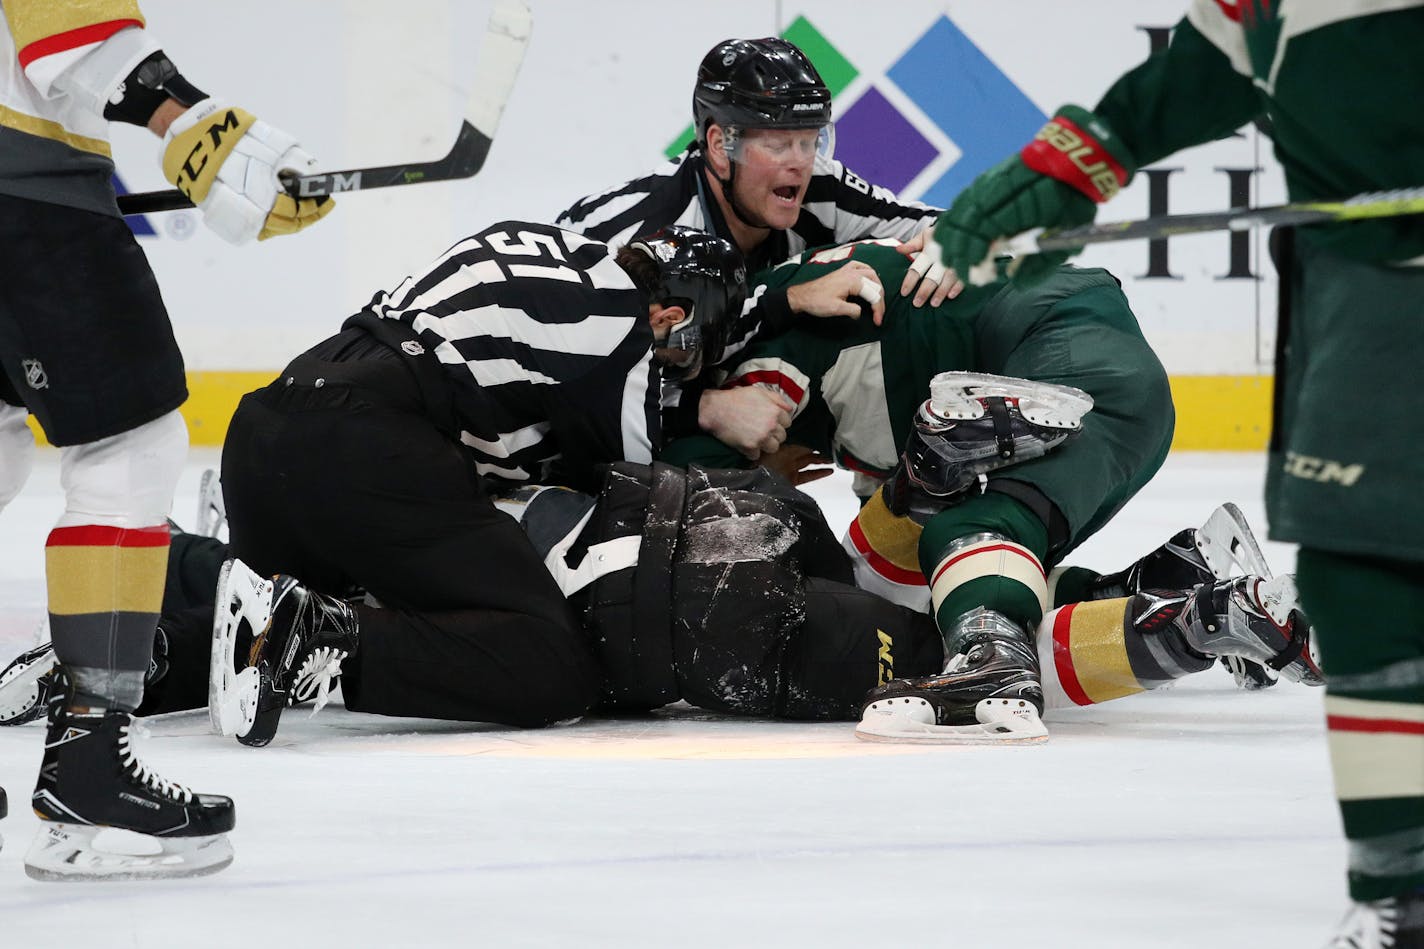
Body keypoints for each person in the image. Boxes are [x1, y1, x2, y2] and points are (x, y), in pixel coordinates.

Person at [927, 2, 1424, 942]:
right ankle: (1403, 892)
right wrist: (1075, 162)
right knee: (1362, 582)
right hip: (1364, 293)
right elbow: (1219, 54)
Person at [668, 239, 1321, 743]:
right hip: (1084, 345)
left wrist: (720, 439)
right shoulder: (797, 282)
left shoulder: (741, 373)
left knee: (964, 537)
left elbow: (715, 521)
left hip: (1070, 367)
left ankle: (1010, 644)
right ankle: (1174, 582)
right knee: (935, 561)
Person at [0, 2, 331, 879]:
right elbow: (65, 29)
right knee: (130, 447)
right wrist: (187, 118)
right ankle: (89, 781)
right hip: (22, 181)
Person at [205, 222, 756, 746]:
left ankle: (160, 657)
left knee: (243, 635)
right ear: (667, 316)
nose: (672, 372)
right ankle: (328, 633)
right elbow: (638, 495)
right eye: (682, 353)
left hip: (266, 421)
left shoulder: (555, 246)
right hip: (366, 439)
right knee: (553, 666)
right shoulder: (627, 330)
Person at [556, 37, 959, 462]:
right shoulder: (641, 233)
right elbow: (576, 385)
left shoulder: (817, 183)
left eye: (810, 141)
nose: (800, 163)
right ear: (719, 146)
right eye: (779, 144)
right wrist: (702, 410)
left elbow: (935, 221)